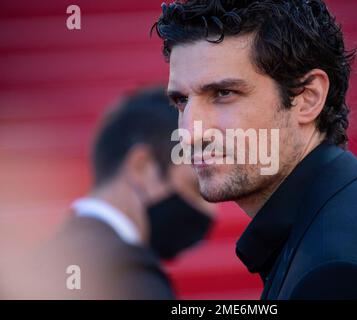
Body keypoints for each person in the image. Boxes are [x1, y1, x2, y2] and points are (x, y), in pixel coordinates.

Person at [153, 0, 357, 299]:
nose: (189, 133)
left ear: (308, 98)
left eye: (223, 93)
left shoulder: (336, 274)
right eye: (181, 101)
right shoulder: (343, 224)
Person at [5, 87, 215, 299]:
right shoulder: (129, 276)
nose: (210, 209)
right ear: (141, 167)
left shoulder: (38, 264)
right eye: (195, 187)